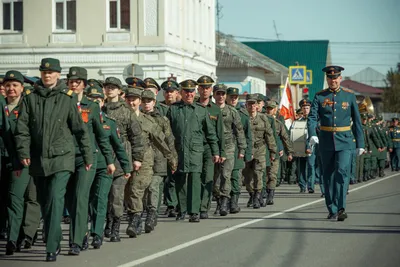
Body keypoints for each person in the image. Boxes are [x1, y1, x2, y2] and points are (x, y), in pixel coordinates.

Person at [15, 58, 94, 261]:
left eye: (51, 73)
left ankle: (51, 247)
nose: (47, 75)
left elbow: (80, 129)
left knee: (56, 199)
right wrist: (23, 153)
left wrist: (87, 155)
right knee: (45, 203)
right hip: (38, 159)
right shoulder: (30, 97)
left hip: (62, 158)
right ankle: (54, 238)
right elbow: (22, 129)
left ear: (58, 75)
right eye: (44, 72)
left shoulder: (66, 98)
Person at [65, 67, 115, 255]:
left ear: (84, 85)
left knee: (80, 196)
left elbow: (102, 136)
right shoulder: (62, 102)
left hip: (87, 158)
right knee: (69, 200)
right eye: (71, 81)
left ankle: (75, 242)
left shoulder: (91, 106)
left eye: (78, 81)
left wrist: (109, 161)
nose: (74, 84)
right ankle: (81, 231)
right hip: (65, 157)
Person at [307, 65, 364, 221]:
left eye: (335, 77)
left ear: (340, 78)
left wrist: (361, 143)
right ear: (327, 79)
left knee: (341, 172)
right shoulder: (319, 97)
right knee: (328, 176)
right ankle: (332, 209)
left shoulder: (349, 96)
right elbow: (312, 117)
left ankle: (341, 207)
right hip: (326, 141)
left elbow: (357, 122)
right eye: (330, 78)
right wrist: (312, 134)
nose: (333, 80)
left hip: (345, 141)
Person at [86, 84, 132, 249]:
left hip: (105, 165)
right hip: (84, 166)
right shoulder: (80, 119)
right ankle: (82, 232)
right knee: (85, 200)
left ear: (102, 101)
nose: (95, 102)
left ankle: (97, 234)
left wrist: (127, 167)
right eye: (91, 99)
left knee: (100, 199)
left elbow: (118, 146)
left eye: (98, 99)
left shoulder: (109, 122)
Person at [167, 79, 219, 222]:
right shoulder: (173, 109)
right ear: (181, 93)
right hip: (178, 150)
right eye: (186, 91)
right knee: (180, 179)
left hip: (196, 150)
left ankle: (194, 211)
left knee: (195, 180)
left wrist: (215, 151)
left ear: (195, 92)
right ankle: (182, 209)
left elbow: (210, 133)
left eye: (191, 91)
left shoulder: (201, 110)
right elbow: (166, 132)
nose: (189, 94)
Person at [102, 77, 144, 242]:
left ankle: (115, 226)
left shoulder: (126, 111)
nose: (110, 90)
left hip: (121, 156)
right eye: (107, 87)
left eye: (113, 87)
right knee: (103, 195)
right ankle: (106, 222)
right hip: (104, 157)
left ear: (120, 91)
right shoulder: (100, 108)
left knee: (117, 194)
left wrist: (137, 158)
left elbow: (137, 137)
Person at [2, 71, 40, 255]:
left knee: (25, 198)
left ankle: (21, 236)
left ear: (21, 88)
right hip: (6, 160)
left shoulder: (28, 107)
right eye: (8, 85)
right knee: (13, 199)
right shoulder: (2, 106)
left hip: (25, 160)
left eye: (15, 85)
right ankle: (16, 235)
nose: (11, 88)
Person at [212, 84, 246, 216]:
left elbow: (239, 130)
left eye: (222, 94)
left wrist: (242, 148)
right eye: (218, 94)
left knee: (226, 175)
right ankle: (219, 201)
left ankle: (225, 203)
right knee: (214, 178)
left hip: (229, 147)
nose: (220, 96)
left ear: (225, 96)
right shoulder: (209, 110)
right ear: (214, 95)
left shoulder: (232, 111)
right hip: (212, 147)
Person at [196, 75, 225, 219]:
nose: (205, 90)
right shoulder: (193, 106)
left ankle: (203, 207)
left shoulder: (215, 109)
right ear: (198, 89)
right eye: (202, 88)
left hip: (209, 148)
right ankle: (193, 206)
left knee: (207, 178)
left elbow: (220, 133)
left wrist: (221, 152)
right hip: (194, 148)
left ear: (211, 90)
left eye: (207, 88)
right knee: (195, 178)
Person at [243, 94, 276, 209]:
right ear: (246, 105)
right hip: (247, 150)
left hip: (260, 149)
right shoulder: (243, 118)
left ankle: (257, 197)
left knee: (258, 174)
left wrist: (272, 151)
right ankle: (252, 194)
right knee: (247, 177)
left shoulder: (263, 118)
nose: (252, 106)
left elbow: (269, 135)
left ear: (257, 106)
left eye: (254, 104)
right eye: (249, 104)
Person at [226, 87, 252, 213]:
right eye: (231, 96)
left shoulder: (243, 115)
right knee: (223, 178)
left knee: (236, 177)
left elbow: (248, 136)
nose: (233, 99)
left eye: (235, 97)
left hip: (237, 152)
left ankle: (233, 202)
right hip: (224, 150)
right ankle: (222, 202)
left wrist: (247, 153)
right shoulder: (221, 111)